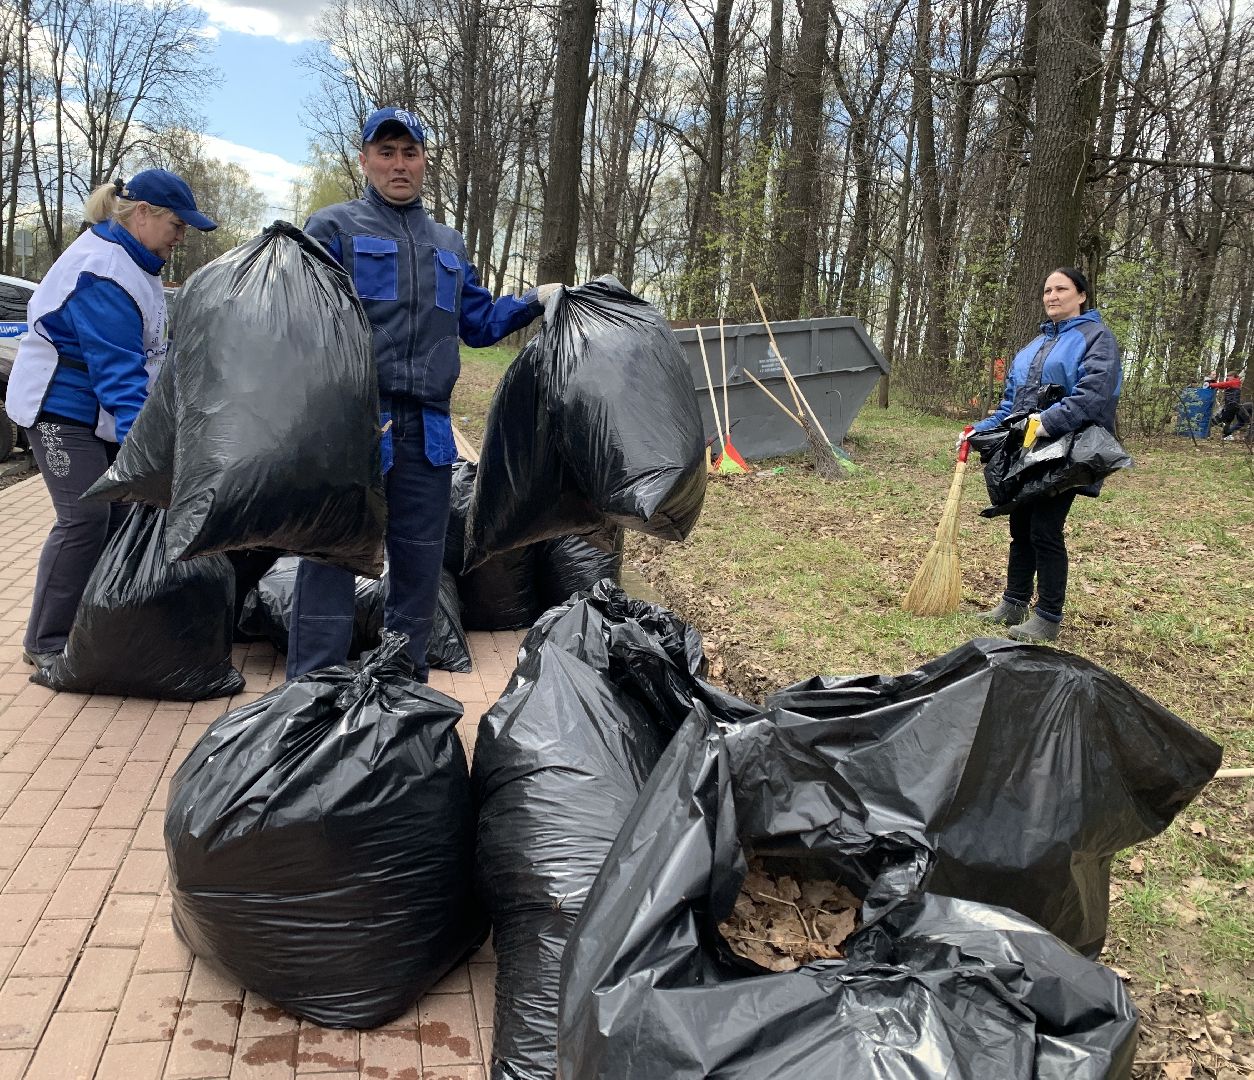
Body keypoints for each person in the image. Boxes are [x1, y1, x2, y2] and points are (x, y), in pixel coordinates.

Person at [287, 107, 561, 680]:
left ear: (425, 161)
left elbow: (479, 322)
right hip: (355, 422)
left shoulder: (449, 243)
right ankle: (313, 691)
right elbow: (298, 317)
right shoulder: (333, 228)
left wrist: (535, 298)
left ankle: (401, 687)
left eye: (410, 153)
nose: (398, 164)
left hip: (429, 430)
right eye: (386, 152)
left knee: (419, 563)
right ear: (364, 160)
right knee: (331, 555)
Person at [4, 170, 216, 669]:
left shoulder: (137, 263)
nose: (180, 237)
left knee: (121, 519)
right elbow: (119, 377)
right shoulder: (101, 271)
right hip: (59, 409)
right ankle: (47, 642)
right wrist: (147, 458)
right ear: (142, 214)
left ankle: (97, 627)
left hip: (95, 412)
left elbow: (156, 355)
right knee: (85, 519)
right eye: (177, 225)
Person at [966, 267, 1122, 643]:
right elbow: (1011, 405)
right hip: (1026, 450)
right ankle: (1014, 602)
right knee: (1020, 529)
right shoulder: (1031, 348)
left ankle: (1048, 617)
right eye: (1048, 290)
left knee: (1045, 531)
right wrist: (979, 430)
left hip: (1068, 452)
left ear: (1081, 295)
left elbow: (1093, 395)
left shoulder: (1097, 338)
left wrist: (1048, 421)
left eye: (1061, 289)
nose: (1052, 296)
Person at [1204, 372, 1251, 441]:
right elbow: (1222, 386)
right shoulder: (1234, 382)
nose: (1227, 377)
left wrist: (1210, 384)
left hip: (1231, 405)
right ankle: (1226, 434)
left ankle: (1206, 430)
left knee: (1221, 419)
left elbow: (1223, 384)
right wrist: (1213, 385)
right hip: (1231, 405)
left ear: (1233, 376)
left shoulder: (1234, 382)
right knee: (1229, 421)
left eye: (1229, 376)